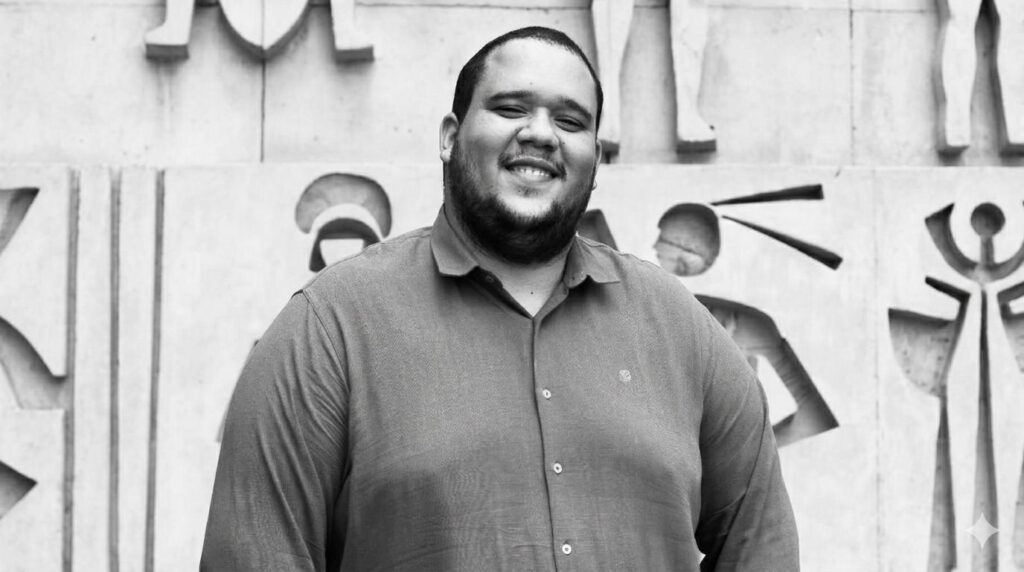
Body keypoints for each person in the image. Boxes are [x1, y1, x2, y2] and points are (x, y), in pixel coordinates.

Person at [201, 26, 798, 571]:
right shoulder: (329, 328)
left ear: (595, 160)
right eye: (511, 108)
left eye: (570, 121)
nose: (540, 133)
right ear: (450, 137)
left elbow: (762, 549)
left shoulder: (681, 329)